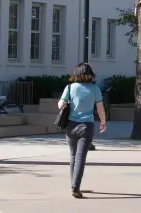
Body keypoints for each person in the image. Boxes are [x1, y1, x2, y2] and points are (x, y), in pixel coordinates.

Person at [58, 63, 106, 198]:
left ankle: (73, 184)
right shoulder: (95, 89)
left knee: (73, 156)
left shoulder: (70, 87)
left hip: (71, 126)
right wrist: (103, 122)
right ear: (90, 75)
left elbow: (60, 105)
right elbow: (100, 108)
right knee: (80, 158)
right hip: (87, 126)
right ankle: (75, 187)